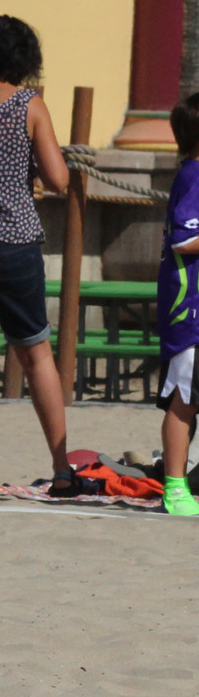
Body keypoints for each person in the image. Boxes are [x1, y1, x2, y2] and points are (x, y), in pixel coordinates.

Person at [0, 16, 89, 499]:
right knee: (36, 354)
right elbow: (58, 179)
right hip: (16, 239)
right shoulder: (29, 104)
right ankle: (61, 468)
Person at [156, 93, 199, 516]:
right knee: (184, 399)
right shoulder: (194, 175)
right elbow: (184, 240)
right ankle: (174, 487)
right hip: (192, 312)